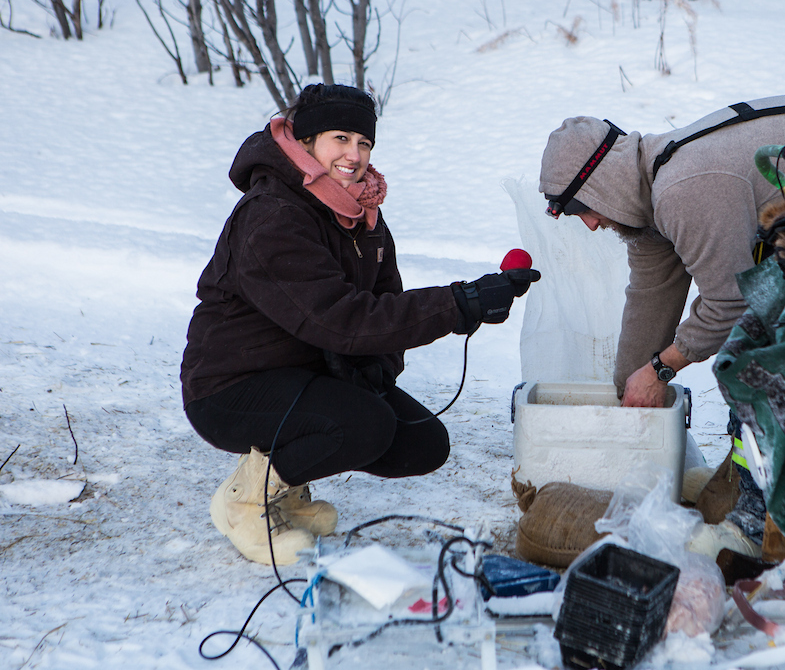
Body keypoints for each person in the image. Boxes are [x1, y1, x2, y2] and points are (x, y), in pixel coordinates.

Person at [181, 83, 539, 565]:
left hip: (306, 371)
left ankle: (286, 490)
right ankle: (246, 501)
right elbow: (340, 318)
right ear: (307, 141)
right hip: (231, 386)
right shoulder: (273, 215)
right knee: (363, 425)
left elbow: (384, 301)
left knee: (420, 443)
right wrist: (461, 303)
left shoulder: (361, 211)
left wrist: (378, 368)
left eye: (364, 142)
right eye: (340, 139)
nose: (354, 154)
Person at [538, 73, 785, 410]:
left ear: (601, 184)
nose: (589, 225)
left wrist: (660, 370)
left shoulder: (680, 192)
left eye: (581, 208)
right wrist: (629, 392)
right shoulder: (650, 195)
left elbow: (731, 302)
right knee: (776, 298)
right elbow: (650, 296)